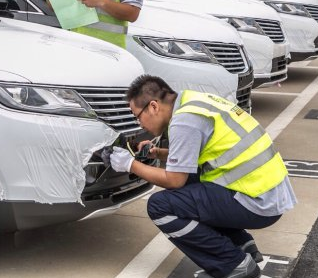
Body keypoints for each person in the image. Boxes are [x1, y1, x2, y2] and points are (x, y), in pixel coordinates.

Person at [110, 75, 296, 278]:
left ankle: (233, 265)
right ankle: (241, 244)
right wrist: (160, 153)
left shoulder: (185, 122)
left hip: (259, 202)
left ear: (153, 107)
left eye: (137, 116)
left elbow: (174, 180)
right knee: (189, 184)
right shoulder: (193, 102)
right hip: (267, 192)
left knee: (160, 206)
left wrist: (129, 164)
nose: (139, 125)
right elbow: (203, 155)